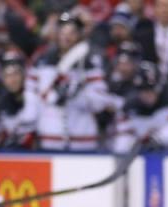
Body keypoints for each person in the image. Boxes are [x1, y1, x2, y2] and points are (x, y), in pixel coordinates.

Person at [29, 13, 112, 151]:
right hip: (49, 139)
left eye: (72, 32)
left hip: (83, 141)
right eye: (63, 31)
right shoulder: (42, 61)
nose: (66, 37)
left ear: (79, 35)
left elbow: (101, 103)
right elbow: (33, 98)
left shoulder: (90, 63)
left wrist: (78, 96)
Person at [111, 60, 168, 153]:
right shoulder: (129, 104)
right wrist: (129, 148)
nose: (147, 95)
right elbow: (122, 139)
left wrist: (159, 139)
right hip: (145, 152)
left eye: (151, 89)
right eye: (143, 90)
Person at [0, 50, 36, 150]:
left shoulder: (33, 99)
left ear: (23, 75)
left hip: (32, 156)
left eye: (16, 74)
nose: (13, 79)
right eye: (8, 75)